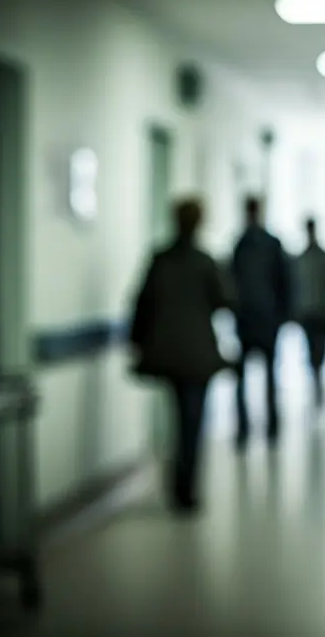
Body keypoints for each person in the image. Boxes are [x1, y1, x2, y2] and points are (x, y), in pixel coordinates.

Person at [129, 197, 234, 514]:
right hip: (197, 353)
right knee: (193, 420)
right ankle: (186, 489)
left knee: (179, 416)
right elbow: (225, 299)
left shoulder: (160, 259)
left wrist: (138, 343)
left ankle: (178, 483)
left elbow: (142, 303)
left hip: (167, 352)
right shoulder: (205, 262)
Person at [230, 196, 292, 448]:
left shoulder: (242, 245)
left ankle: (249, 427)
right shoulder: (265, 244)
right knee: (265, 375)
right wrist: (283, 315)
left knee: (249, 376)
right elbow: (285, 282)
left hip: (250, 319)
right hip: (263, 319)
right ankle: (266, 426)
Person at [293, 218, 325, 410]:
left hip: (314, 311)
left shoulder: (303, 260)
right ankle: (316, 378)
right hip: (314, 312)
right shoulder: (310, 259)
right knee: (315, 348)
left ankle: (317, 376)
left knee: (317, 349)